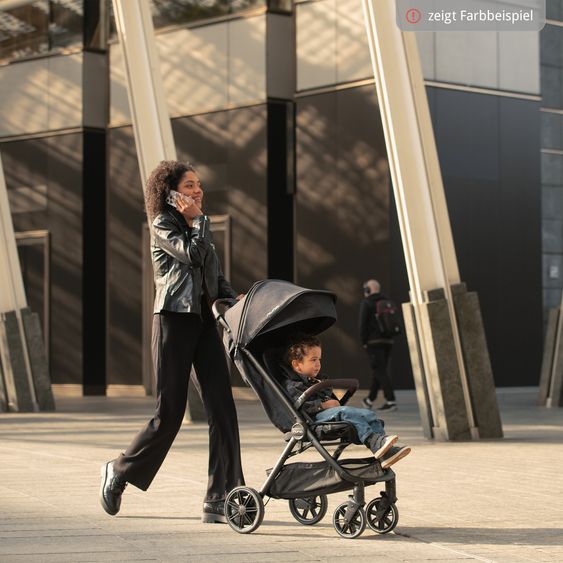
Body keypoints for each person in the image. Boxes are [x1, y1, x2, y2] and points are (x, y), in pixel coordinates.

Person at [100, 160, 245, 524]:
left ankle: (222, 496)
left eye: (199, 185)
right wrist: (198, 222)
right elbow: (192, 255)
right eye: (190, 185)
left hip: (203, 325)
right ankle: (120, 470)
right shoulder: (163, 223)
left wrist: (234, 299)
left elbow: (213, 272)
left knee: (223, 409)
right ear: (172, 191)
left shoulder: (199, 224)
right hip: (172, 322)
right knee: (170, 413)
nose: (198, 191)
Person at [282, 334, 410, 469]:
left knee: (367, 414)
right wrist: (322, 405)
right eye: (313, 360)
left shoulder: (318, 380)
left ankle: (384, 450)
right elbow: (299, 406)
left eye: (319, 359)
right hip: (312, 419)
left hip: (328, 414)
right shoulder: (293, 385)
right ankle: (374, 442)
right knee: (345, 412)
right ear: (297, 365)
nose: (318, 364)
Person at [360, 279, 397, 412]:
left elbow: (363, 324)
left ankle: (391, 400)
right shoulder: (387, 302)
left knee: (380, 370)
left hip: (373, 342)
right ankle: (370, 399)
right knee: (379, 369)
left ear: (368, 290)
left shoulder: (367, 302)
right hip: (388, 341)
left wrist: (364, 341)